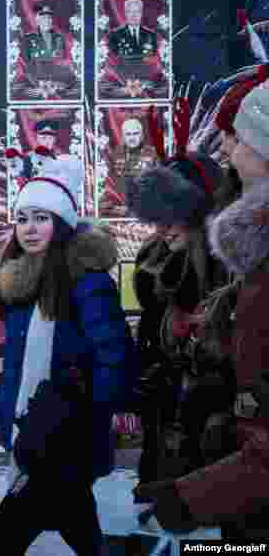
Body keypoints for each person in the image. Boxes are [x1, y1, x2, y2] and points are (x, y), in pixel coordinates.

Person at [135, 85, 269, 540]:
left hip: (233, 460)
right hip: (219, 461)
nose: (229, 152)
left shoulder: (235, 269)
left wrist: (194, 493)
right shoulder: (161, 271)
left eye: (239, 138)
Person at [0, 154, 133, 556]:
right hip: (36, 425)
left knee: (1, 536)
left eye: (41, 218)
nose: (30, 228)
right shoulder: (20, 285)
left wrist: (104, 410)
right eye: (23, 218)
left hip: (64, 431)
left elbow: (113, 351)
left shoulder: (86, 282)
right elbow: (16, 368)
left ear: (62, 223)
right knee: (80, 529)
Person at [126, 146, 232, 491]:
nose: (164, 229)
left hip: (214, 467)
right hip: (163, 460)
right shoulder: (154, 274)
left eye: (175, 216)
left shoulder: (231, 277)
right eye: (157, 217)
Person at [100, 118, 161, 215]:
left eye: (135, 134)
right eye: (128, 134)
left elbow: (160, 185)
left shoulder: (152, 154)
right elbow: (110, 185)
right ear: (123, 136)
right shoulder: (116, 154)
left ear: (141, 135)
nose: (132, 138)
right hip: (121, 210)